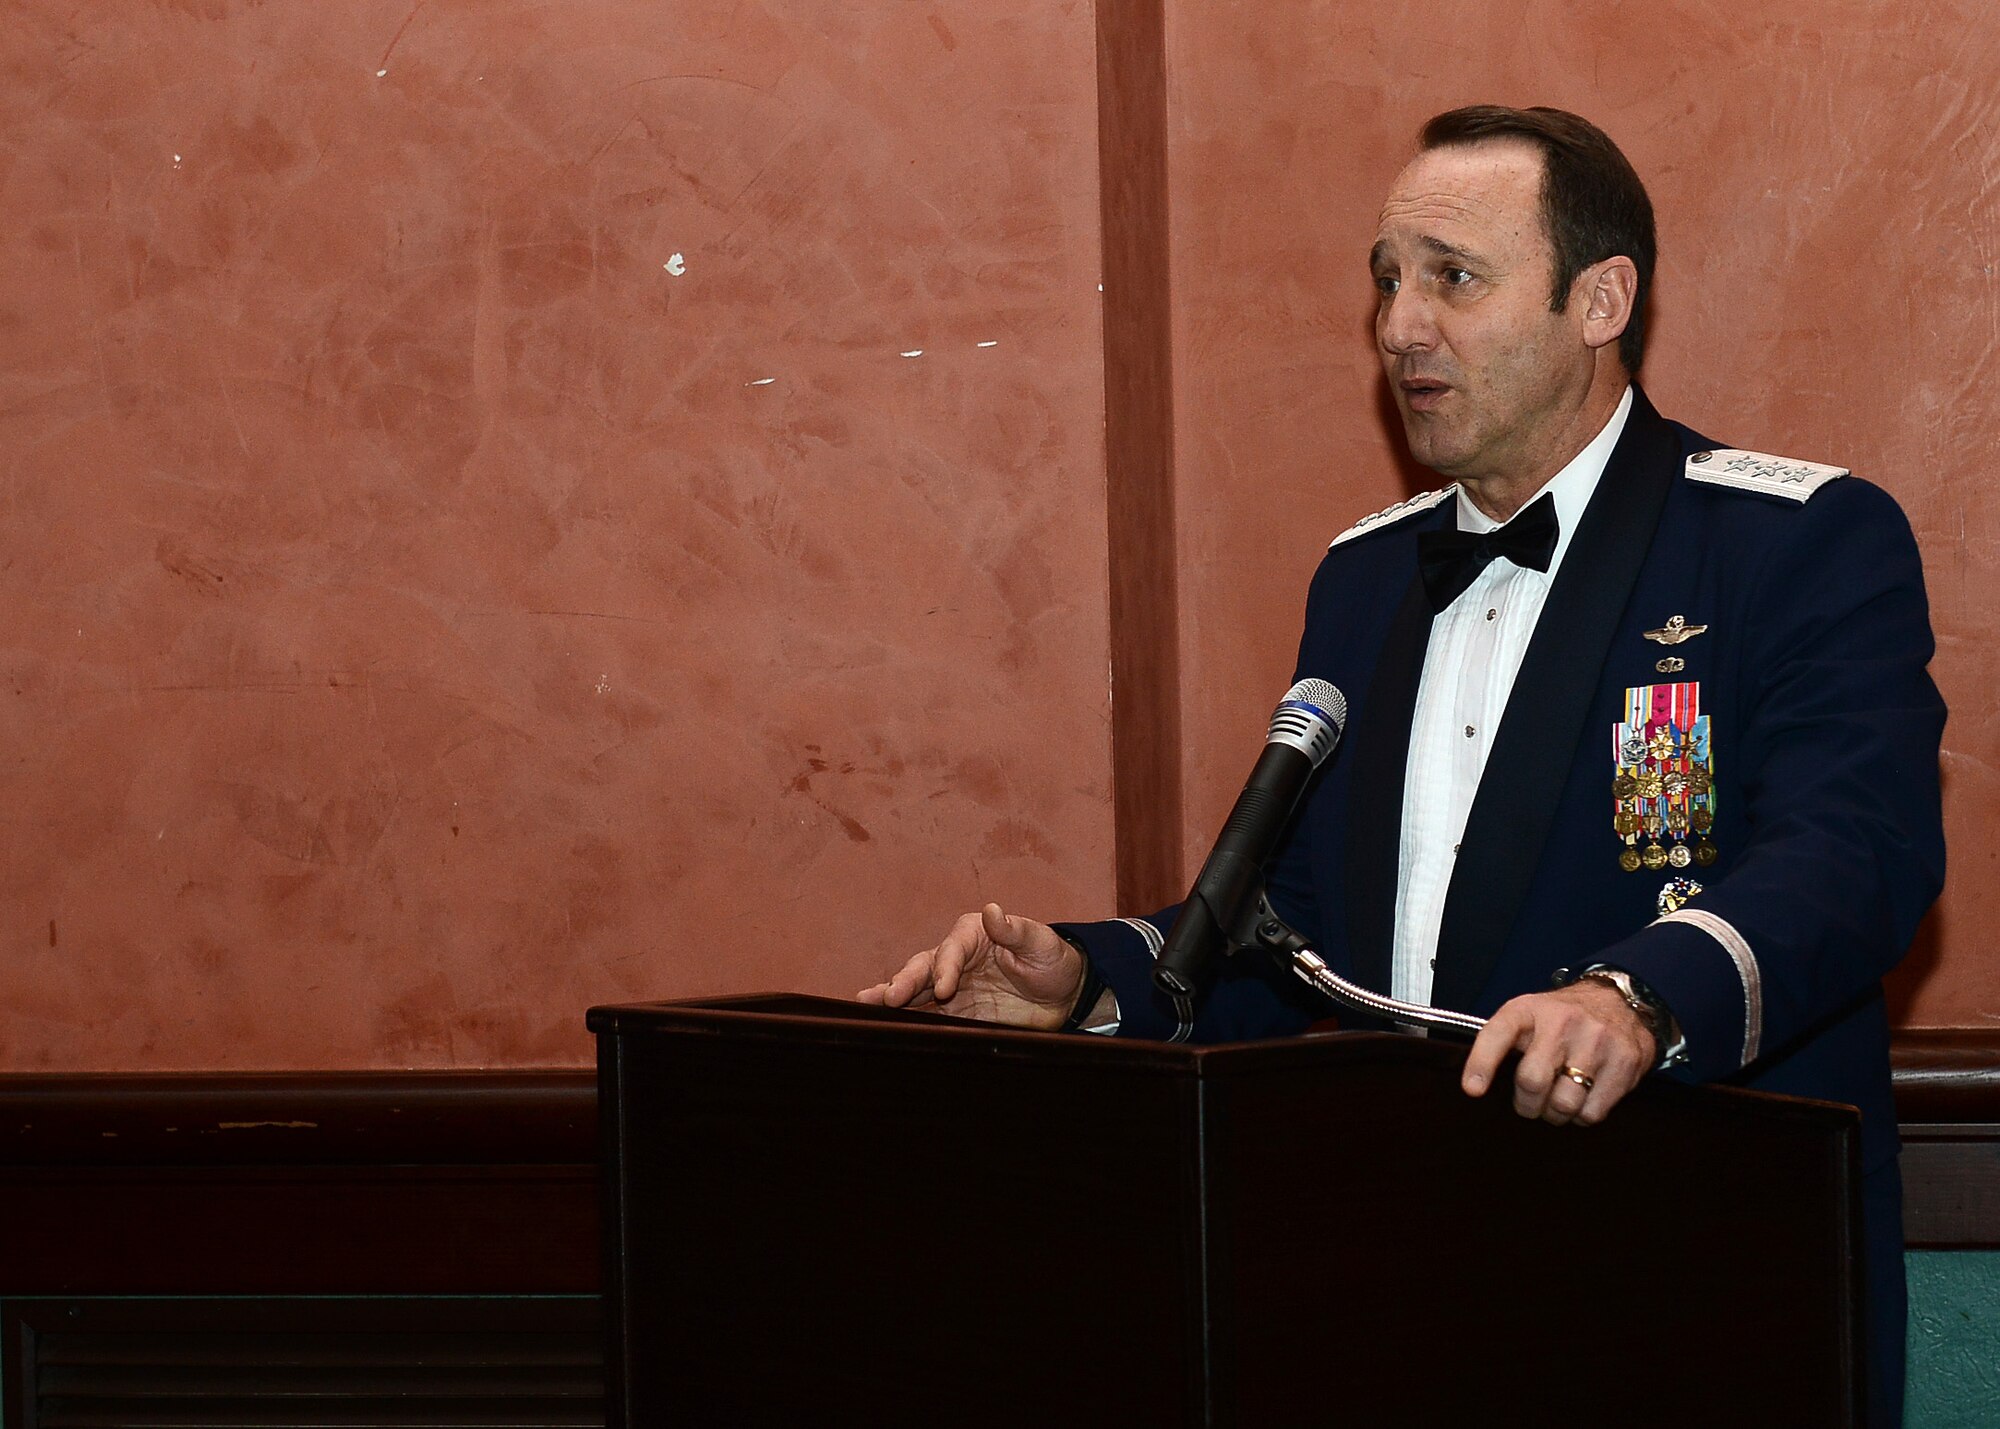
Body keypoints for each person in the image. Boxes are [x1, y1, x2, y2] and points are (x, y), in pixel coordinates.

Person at [860, 106, 1944, 1426]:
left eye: (1454, 277)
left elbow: (1856, 856)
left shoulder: (1792, 542)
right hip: (1397, 1295)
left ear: (1600, 299)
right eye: (1387, 277)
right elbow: (1296, 930)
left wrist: (1636, 998)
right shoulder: (1365, 578)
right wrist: (1090, 982)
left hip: (1687, 1284)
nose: (1398, 324)